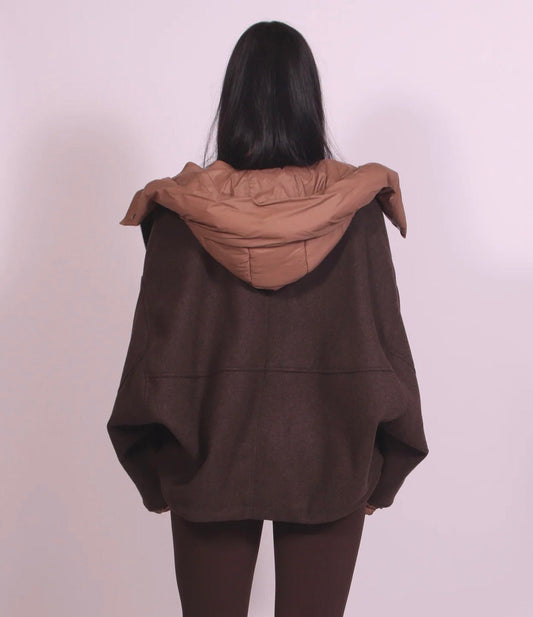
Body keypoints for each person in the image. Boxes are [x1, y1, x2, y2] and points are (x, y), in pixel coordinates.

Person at [107, 20, 429, 617]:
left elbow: (152, 358)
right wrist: (387, 471)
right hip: (332, 459)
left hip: (206, 465)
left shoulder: (181, 215)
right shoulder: (356, 215)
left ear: (232, 101)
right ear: (309, 100)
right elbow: (387, 345)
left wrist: (152, 471)